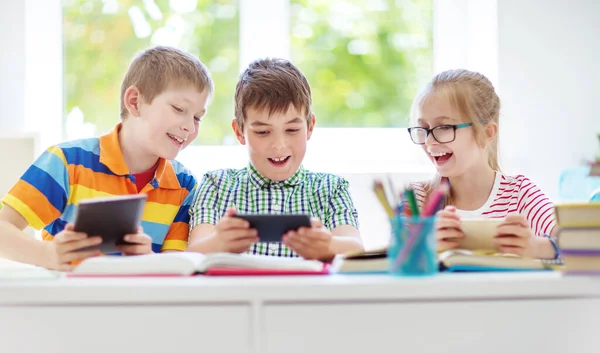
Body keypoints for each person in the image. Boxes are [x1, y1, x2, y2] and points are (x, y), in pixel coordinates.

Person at [0, 46, 213, 270]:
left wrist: (149, 259)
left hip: (141, 303)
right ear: (134, 102)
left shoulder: (184, 185)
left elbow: (177, 268)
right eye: (179, 109)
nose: (189, 126)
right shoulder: (67, 162)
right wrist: (47, 254)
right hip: (68, 301)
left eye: (198, 118)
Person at [187, 58, 363, 261]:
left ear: (310, 127)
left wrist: (328, 245)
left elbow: (356, 249)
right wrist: (219, 242)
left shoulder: (332, 188)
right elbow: (193, 256)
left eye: (292, 130)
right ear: (239, 132)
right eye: (262, 132)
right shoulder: (216, 185)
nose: (279, 145)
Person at [408, 69, 559, 259]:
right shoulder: (418, 200)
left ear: (487, 133)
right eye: (423, 129)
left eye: (445, 127)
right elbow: (391, 264)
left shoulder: (519, 194)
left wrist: (537, 247)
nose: (429, 142)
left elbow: (579, 244)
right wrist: (424, 248)